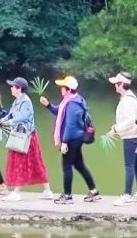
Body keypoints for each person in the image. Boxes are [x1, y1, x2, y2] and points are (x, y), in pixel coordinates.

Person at [40, 76, 100, 204]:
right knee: (79, 165)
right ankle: (94, 192)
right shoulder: (73, 100)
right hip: (76, 138)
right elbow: (61, 114)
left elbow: (70, 125)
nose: (60, 89)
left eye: (62, 87)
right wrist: (48, 105)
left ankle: (67, 196)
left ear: (67, 89)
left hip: (72, 139)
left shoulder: (72, 104)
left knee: (66, 166)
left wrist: (64, 142)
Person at [0, 78, 54, 202]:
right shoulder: (17, 101)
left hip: (26, 137)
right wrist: (2, 121)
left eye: (13, 86)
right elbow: (11, 114)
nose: (11, 88)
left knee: (21, 163)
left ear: (19, 89)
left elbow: (23, 117)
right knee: (35, 163)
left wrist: (7, 123)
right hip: (21, 135)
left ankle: (16, 193)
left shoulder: (26, 101)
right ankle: (47, 191)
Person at [105, 71, 137, 204]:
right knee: (136, 165)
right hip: (134, 135)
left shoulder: (127, 100)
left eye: (116, 83)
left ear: (121, 84)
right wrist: (117, 127)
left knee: (129, 165)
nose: (115, 86)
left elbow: (130, 120)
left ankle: (127, 194)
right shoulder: (129, 97)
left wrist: (116, 129)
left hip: (131, 137)